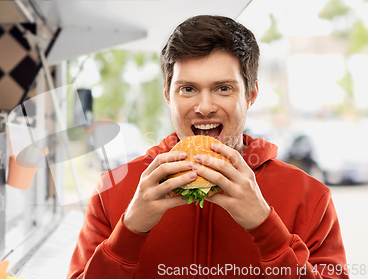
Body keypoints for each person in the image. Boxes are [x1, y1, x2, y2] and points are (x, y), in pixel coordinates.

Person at [67, 15, 348, 278]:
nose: (204, 107)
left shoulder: (310, 196)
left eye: (223, 88)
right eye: (187, 89)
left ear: (250, 95)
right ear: (168, 95)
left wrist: (267, 228)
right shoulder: (112, 190)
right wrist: (128, 232)